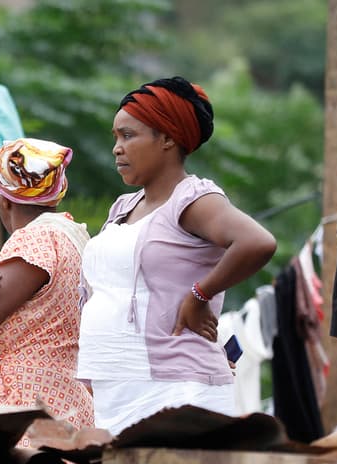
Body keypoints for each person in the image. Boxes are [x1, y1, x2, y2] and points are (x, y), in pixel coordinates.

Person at [73, 77, 276, 434]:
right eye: (116, 138)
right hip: (115, 390)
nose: (117, 148)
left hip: (174, 390)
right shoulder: (124, 207)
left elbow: (257, 242)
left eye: (129, 135)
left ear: (167, 138)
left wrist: (201, 294)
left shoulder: (192, 200)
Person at [0, 137, 95, 445]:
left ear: (2, 199)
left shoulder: (35, 240)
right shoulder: (73, 238)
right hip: (59, 410)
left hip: (23, 420)